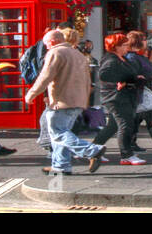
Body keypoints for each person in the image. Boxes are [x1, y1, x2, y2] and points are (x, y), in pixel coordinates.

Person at [26, 28, 104, 175]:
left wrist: (31, 94)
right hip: (77, 100)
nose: (46, 46)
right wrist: (85, 98)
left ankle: (92, 150)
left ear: (52, 41)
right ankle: (61, 165)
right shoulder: (78, 54)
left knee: (58, 133)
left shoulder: (55, 52)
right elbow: (87, 80)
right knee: (62, 133)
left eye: (46, 43)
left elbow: (45, 76)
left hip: (61, 100)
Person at [96, 32, 145, 167]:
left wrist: (135, 78)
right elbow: (103, 75)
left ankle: (93, 150)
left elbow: (128, 74)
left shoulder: (121, 58)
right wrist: (120, 81)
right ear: (115, 46)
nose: (126, 47)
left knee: (112, 126)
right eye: (123, 45)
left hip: (124, 95)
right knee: (125, 124)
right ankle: (126, 155)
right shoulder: (110, 59)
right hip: (115, 97)